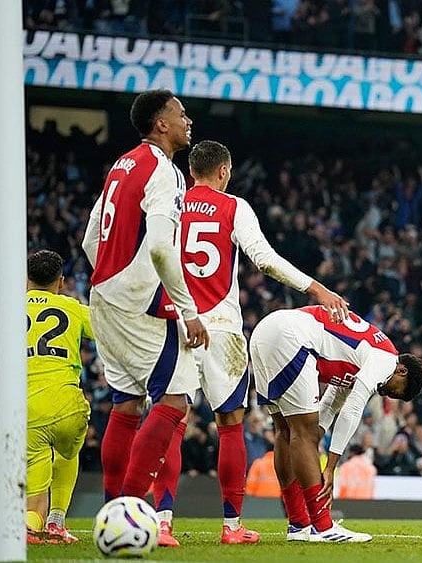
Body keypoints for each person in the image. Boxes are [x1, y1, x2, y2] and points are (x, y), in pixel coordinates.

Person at [148, 139, 349, 545]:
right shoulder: (233, 206)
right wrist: (316, 289)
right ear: (224, 171)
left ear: (191, 171)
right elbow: (265, 259)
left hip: (176, 323)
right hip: (221, 328)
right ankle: (232, 526)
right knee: (229, 426)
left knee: (172, 425)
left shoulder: (170, 203)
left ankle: (162, 523)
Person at [81, 89, 210, 545]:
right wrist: (188, 311)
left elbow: (90, 240)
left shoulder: (122, 165)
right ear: (161, 124)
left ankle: (111, 512)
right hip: (141, 304)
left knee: (127, 405)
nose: (187, 120)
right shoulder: (165, 171)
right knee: (174, 401)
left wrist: (112, 278)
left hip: (104, 295)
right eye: (180, 113)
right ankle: (130, 517)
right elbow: (158, 246)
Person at [249, 305, 422, 542]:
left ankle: (298, 524)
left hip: (265, 332)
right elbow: (353, 408)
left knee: (285, 431)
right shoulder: (386, 360)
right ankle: (323, 527)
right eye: (394, 391)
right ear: (401, 371)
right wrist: (330, 467)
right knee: (301, 433)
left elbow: (332, 404)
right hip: (292, 337)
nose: (385, 393)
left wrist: (313, 441)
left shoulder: (360, 359)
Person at [0, 250, 92, 544]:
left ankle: (29, 522)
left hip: (25, 410)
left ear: (26, 278)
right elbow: (110, 334)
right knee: (67, 452)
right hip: (68, 405)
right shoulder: (74, 308)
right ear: (61, 281)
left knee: (34, 485)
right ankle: (57, 522)